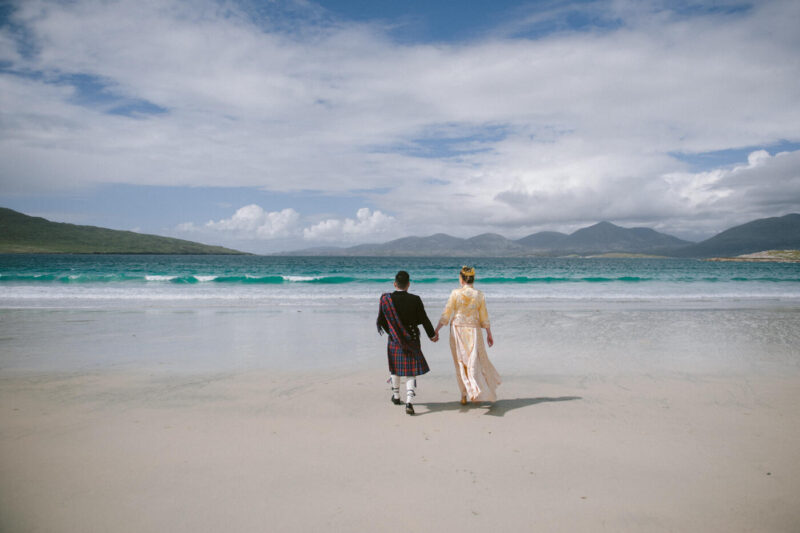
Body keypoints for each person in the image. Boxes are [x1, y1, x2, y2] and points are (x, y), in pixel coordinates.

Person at [434, 266, 501, 404]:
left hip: (457, 330)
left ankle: (464, 395)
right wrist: (489, 333)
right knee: (475, 361)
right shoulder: (479, 295)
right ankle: (474, 392)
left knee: (460, 362)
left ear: (461, 279)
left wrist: (436, 330)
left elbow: (446, 313)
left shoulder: (455, 293)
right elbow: (484, 316)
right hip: (474, 331)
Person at [377, 270, 438, 415]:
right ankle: (409, 401)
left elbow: (381, 321)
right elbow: (424, 319)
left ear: (395, 284)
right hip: (412, 338)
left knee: (395, 368)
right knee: (410, 371)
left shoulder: (386, 299)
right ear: (408, 285)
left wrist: (393, 333)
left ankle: (396, 396)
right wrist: (432, 335)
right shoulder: (415, 299)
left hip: (394, 340)